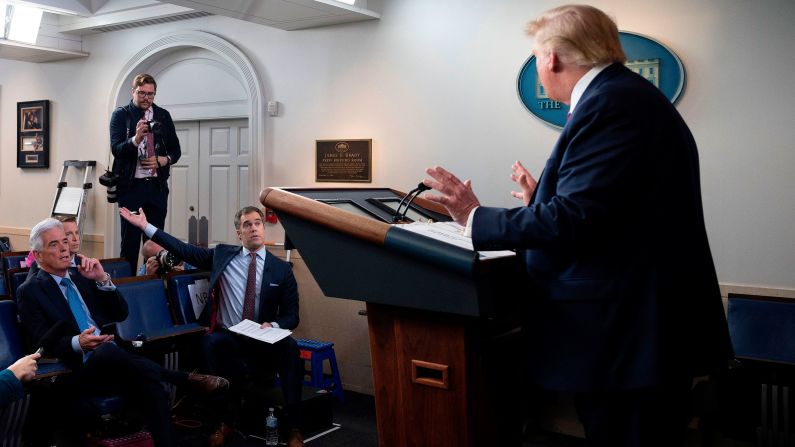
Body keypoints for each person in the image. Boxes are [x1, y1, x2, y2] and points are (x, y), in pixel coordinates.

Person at [423, 5, 732, 446]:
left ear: (549, 58)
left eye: (536, 58)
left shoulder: (611, 104)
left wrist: (473, 215)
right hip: (634, 334)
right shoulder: (626, 96)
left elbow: (575, 219)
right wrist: (541, 200)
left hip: (628, 338)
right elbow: (610, 211)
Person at [16, 218, 229, 447]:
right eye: (54, 244)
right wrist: (79, 342)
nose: (64, 248)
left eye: (65, 242)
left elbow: (120, 314)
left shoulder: (83, 276)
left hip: (116, 362)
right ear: (37, 256)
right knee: (106, 352)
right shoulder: (30, 291)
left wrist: (102, 280)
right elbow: (41, 344)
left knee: (150, 386)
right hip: (75, 370)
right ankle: (184, 379)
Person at [120, 205, 304, 447]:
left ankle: (293, 428)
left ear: (263, 227)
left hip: (263, 337)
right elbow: (183, 250)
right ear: (239, 233)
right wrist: (145, 226)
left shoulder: (281, 269)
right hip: (229, 336)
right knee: (208, 343)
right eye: (247, 224)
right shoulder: (222, 255)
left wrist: (274, 324)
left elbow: (292, 316)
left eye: (257, 223)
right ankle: (223, 421)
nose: (254, 228)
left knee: (290, 348)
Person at [109, 73, 181, 271]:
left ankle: (153, 286)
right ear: (133, 92)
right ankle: (128, 289)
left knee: (155, 244)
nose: (146, 98)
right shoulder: (121, 115)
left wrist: (164, 160)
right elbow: (116, 148)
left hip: (156, 188)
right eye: (142, 93)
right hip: (131, 188)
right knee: (130, 245)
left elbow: (176, 150)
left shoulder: (163, 115)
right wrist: (136, 139)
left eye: (151, 94)